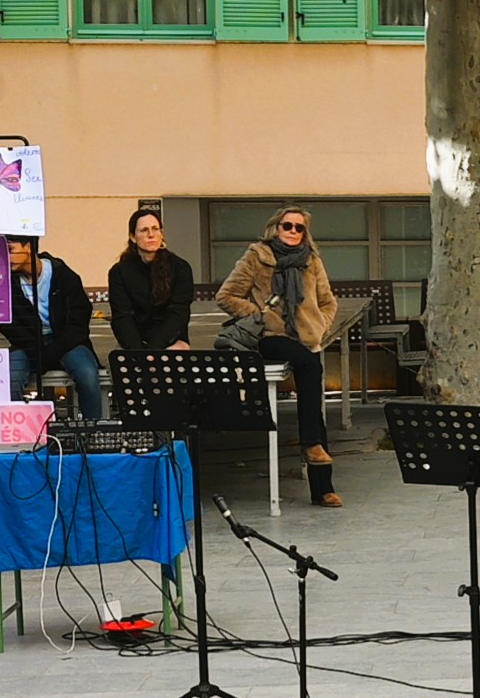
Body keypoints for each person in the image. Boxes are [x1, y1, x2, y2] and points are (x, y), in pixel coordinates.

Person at [216, 206, 343, 507]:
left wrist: (320, 325)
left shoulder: (311, 260)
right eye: (288, 225)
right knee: (310, 366)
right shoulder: (257, 256)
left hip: (306, 338)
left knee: (313, 401)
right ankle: (311, 445)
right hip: (270, 337)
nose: (293, 232)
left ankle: (322, 487)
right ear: (275, 227)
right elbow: (226, 295)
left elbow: (328, 301)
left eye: (300, 228)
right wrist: (260, 316)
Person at [3, 236, 104, 420]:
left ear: (28, 247)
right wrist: (37, 349)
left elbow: (79, 321)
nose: (6, 256)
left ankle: (93, 431)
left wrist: (55, 350)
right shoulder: (7, 283)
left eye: (10, 250)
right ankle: (18, 434)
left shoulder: (63, 276)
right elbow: (9, 326)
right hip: (29, 345)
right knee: (9, 376)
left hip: (67, 342)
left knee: (88, 375)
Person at [108, 209, 195, 352]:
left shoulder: (180, 268)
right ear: (133, 237)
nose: (151, 235)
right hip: (134, 344)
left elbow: (178, 314)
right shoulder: (119, 272)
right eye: (144, 230)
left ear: (161, 234)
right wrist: (138, 351)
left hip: (172, 340)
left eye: (155, 229)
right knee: (120, 362)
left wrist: (153, 350)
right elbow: (122, 316)